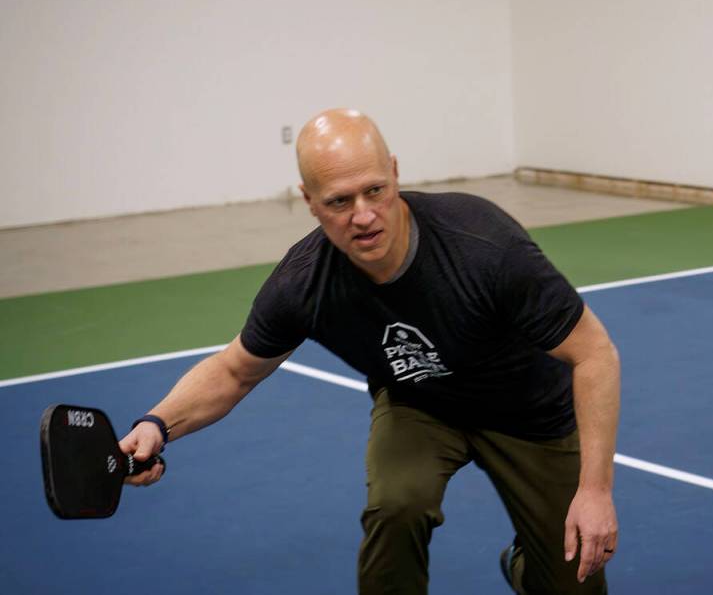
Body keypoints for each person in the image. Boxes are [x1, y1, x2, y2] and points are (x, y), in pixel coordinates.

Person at [118, 108, 620, 594]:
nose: (363, 216)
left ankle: (526, 566)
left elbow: (595, 354)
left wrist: (595, 492)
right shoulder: (304, 285)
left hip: (528, 411)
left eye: (375, 191)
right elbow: (233, 372)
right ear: (309, 201)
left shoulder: (482, 245)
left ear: (395, 174)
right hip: (421, 404)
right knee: (396, 506)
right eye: (339, 201)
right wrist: (156, 425)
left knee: (572, 576)